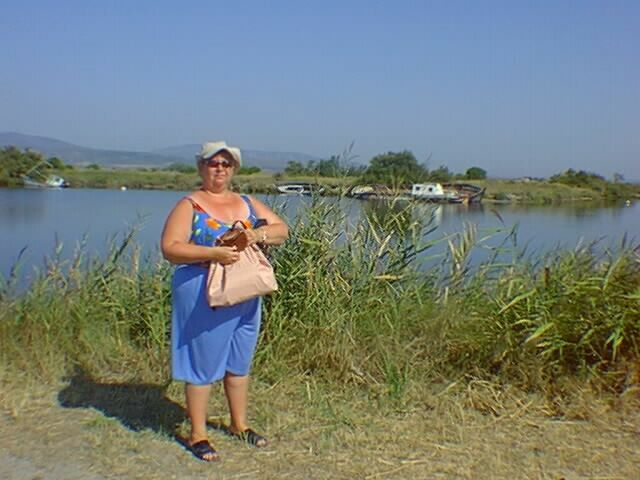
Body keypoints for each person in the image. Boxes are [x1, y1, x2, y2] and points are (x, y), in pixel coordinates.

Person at [161, 141, 289, 461]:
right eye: (213, 163)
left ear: (234, 169)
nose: (220, 168)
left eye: (226, 163)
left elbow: (282, 231)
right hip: (203, 291)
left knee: (239, 361)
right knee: (201, 364)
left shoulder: (247, 202)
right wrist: (213, 253)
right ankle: (198, 434)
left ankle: (239, 424)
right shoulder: (190, 205)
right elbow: (171, 248)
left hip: (244, 289)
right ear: (201, 167)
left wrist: (256, 235)